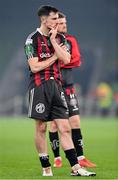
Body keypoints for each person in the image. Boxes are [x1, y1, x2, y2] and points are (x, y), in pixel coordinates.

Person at [24, 5, 96, 177]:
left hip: (57, 86)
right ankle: (46, 166)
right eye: (54, 19)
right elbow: (34, 67)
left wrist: (54, 42)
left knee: (64, 127)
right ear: (44, 20)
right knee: (41, 127)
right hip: (39, 86)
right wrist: (55, 56)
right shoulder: (31, 40)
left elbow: (66, 58)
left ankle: (76, 168)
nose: (58, 22)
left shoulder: (61, 38)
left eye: (58, 19)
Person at [49, 12, 96, 168]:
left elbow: (76, 60)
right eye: (61, 23)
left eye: (65, 23)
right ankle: (57, 158)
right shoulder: (48, 42)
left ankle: (81, 157)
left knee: (75, 121)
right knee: (55, 125)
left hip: (68, 86)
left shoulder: (71, 40)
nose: (64, 25)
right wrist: (63, 58)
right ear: (54, 24)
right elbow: (47, 63)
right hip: (54, 86)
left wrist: (61, 59)